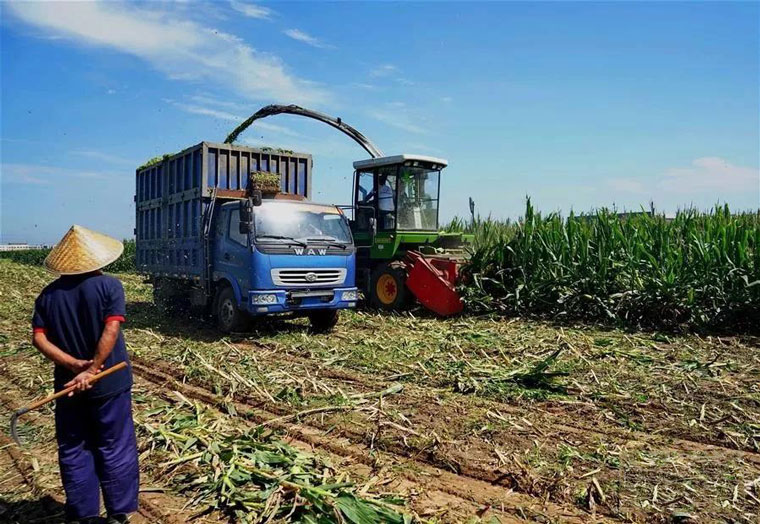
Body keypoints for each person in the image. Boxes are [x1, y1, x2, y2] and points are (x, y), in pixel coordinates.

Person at [31, 225, 138, 524]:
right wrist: (91, 369)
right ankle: (119, 515)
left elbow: (39, 338)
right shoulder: (110, 287)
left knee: (75, 446)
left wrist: (72, 366)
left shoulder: (48, 295)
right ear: (98, 259)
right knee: (114, 444)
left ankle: (84, 516)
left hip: (68, 386)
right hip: (109, 382)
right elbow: (111, 328)